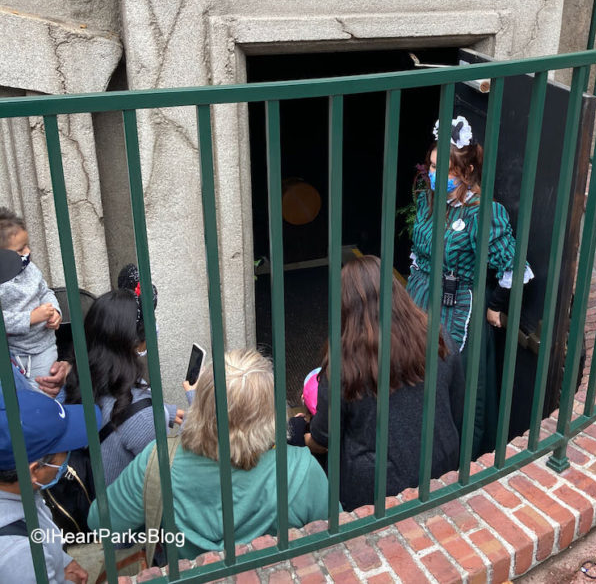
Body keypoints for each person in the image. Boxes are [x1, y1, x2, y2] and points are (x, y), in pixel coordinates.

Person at [88, 348, 330, 556]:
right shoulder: (302, 470)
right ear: (270, 412)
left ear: (201, 405)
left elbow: (99, 522)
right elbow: (338, 540)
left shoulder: (157, 461)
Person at [406, 115, 533, 454]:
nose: (435, 175)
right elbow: (417, 254)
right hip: (417, 298)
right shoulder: (428, 200)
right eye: (432, 166)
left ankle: (452, 460)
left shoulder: (483, 214)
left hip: (457, 307)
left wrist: (494, 305)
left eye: (445, 171)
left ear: (467, 172)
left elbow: (515, 268)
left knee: (450, 388)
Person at [305, 255, 464, 512]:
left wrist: (300, 435)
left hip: (378, 489)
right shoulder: (439, 336)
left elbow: (324, 439)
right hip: (441, 464)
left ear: (345, 306)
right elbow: (456, 407)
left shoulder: (342, 365)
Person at [64, 288, 181, 484]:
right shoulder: (143, 416)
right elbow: (170, 478)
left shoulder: (75, 377)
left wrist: (166, 411)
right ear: (136, 343)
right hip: (129, 513)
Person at [0, 388, 102, 584]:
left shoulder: (20, 491)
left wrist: (59, 561)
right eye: (62, 449)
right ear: (34, 471)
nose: (68, 455)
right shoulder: (20, 555)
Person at [0, 209, 62, 390]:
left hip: (43, 348)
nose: (28, 252)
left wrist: (54, 311)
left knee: (44, 392)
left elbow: (45, 291)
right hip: (14, 351)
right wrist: (30, 318)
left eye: (26, 245)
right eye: (20, 249)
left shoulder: (29, 269)